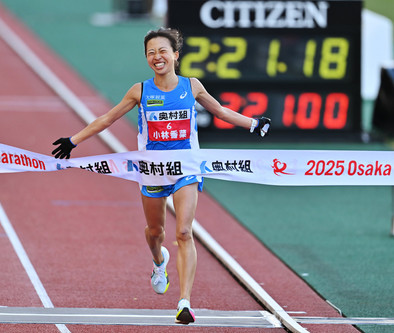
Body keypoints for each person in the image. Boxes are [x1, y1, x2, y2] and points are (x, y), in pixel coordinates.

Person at [52, 27, 271, 325]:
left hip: (186, 170)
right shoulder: (140, 90)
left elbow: (220, 111)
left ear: (175, 55)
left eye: (162, 51)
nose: (157, 57)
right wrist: (73, 140)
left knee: (183, 232)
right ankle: (159, 262)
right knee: (155, 232)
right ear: (147, 59)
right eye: (151, 53)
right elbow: (107, 118)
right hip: (153, 171)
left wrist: (253, 124)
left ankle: (184, 303)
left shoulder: (191, 86)